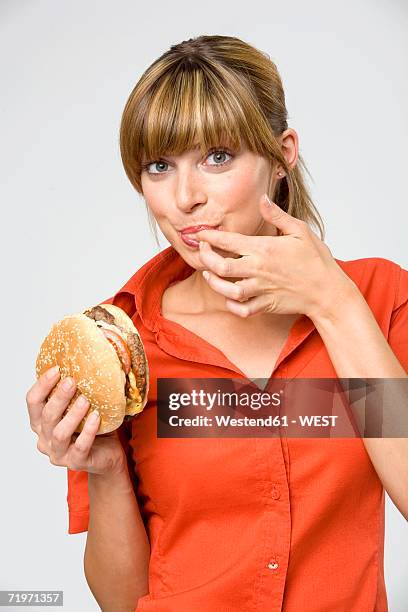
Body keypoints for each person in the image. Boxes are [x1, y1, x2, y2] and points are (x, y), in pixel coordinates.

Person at [26, 35, 408, 612]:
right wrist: (103, 466)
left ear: (282, 154)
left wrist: (334, 304)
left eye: (217, 157)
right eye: (159, 166)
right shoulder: (122, 347)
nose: (185, 197)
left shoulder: (378, 300)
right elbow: (123, 601)